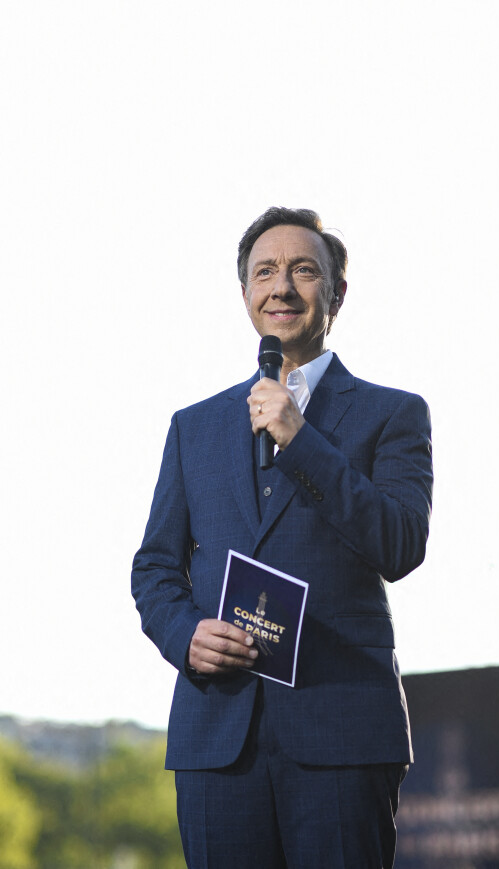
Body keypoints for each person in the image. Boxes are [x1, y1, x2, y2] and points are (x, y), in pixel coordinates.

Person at [131, 207, 433, 868]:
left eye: (303, 269)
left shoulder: (394, 413)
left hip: (343, 734)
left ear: (337, 292)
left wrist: (302, 439)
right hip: (218, 740)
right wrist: (185, 634)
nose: (282, 286)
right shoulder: (195, 426)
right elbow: (155, 567)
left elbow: (402, 543)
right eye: (264, 271)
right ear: (245, 293)